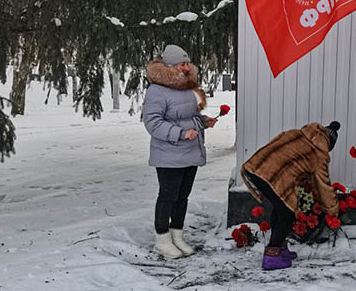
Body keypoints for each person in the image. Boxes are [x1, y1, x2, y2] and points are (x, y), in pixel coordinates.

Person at [143, 45, 218, 259]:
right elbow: (153, 123)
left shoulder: (186, 87)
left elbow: (189, 116)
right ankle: (162, 240)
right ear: (169, 66)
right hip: (168, 153)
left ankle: (177, 236)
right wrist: (180, 134)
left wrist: (203, 122)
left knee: (182, 197)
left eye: (187, 63)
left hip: (190, 152)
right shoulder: (156, 90)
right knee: (168, 197)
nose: (186, 67)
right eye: (181, 64)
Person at [242, 121, 341, 270]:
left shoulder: (295, 133)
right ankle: (271, 256)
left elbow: (274, 147)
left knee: (280, 208)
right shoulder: (320, 154)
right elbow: (323, 186)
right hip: (272, 177)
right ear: (329, 144)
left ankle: (280, 249)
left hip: (256, 167)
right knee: (287, 214)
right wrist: (332, 209)